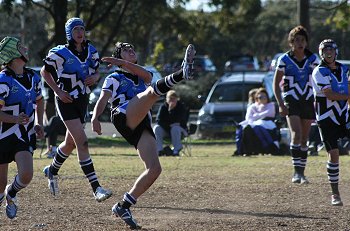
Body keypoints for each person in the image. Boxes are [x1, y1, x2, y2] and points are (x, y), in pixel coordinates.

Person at [91, 42, 195, 229]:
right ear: (119, 57)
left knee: (154, 169)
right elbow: (102, 99)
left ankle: (124, 205)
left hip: (141, 123)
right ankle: (181, 73)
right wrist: (95, 117)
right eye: (125, 50)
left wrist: (120, 61)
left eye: (132, 48)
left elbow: (146, 75)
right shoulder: (114, 77)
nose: (131, 50)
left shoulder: (143, 75)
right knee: (152, 92)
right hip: (122, 115)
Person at [40, 17, 112, 202]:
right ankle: (96, 188)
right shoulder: (60, 52)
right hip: (66, 101)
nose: (80, 32)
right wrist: (58, 91)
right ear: (69, 33)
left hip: (82, 100)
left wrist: (95, 77)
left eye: (82, 28)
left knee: (70, 144)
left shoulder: (91, 50)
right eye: (75, 30)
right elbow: (44, 72)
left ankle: (52, 170)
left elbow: (96, 71)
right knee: (82, 142)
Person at [0, 36, 44, 219]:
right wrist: (14, 118)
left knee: (26, 175)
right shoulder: (3, 80)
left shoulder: (33, 76)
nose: (25, 48)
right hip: (2, 136)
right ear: (13, 53)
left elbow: (40, 101)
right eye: (20, 46)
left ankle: (11, 193)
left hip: (23, 134)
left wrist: (40, 122)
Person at [273, 25, 319, 184]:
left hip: (307, 100)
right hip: (291, 100)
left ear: (306, 42)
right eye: (297, 40)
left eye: (303, 40)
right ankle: (296, 173)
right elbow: (276, 84)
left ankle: (302, 172)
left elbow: (319, 81)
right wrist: (281, 104)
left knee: (305, 138)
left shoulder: (313, 59)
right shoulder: (284, 59)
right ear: (291, 43)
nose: (300, 43)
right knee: (297, 134)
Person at [312, 39, 349, 206]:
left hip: (345, 115)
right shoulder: (319, 71)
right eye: (325, 50)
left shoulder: (345, 68)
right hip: (327, 117)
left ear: (336, 52)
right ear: (321, 53)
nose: (328, 53)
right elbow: (330, 94)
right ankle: (335, 194)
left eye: (331, 50)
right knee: (333, 154)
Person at [234, 88, 278, 156]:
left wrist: (256, 115)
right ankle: (243, 150)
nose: (262, 98)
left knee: (257, 126)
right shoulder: (252, 107)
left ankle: (268, 147)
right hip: (253, 124)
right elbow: (248, 118)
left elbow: (269, 114)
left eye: (264, 96)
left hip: (267, 124)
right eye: (260, 97)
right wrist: (258, 116)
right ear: (256, 98)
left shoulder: (271, 105)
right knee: (244, 128)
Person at [153, 90, 188, 156]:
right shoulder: (163, 107)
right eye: (170, 98)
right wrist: (169, 125)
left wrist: (171, 111)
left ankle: (176, 150)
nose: (172, 100)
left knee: (175, 128)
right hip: (166, 129)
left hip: (179, 130)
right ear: (167, 99)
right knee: (156, 128)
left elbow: (181, 120)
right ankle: (159, 150)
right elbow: (159, 120)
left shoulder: (181, 107)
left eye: (174, 99)